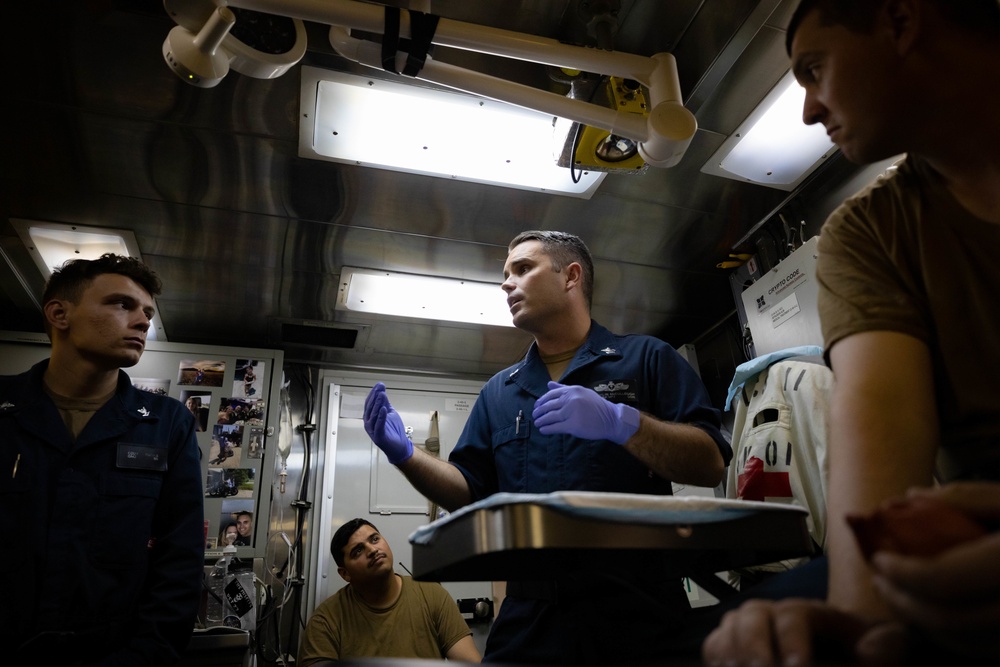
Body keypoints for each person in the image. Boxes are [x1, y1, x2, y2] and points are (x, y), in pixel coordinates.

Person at [702, 1, 1000, 664]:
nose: (808, 109)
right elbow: (880, 475)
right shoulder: (873, 233)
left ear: (899, 21)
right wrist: (865, 629)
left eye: (814, 69)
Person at [364, 230, 731, 664]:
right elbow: (469, 490)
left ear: (571, 276)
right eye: (505, 274)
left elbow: (709, 463)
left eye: (522, 268)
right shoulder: (501, 391)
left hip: (637, 611)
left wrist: (622, 422)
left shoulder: (645, 359)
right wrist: (406, 456)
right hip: (531, 619)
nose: (506, 283)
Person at [0, 253, 205, 665]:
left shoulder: (166, 423)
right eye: (121, 304)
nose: (143, 320)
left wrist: (149, 653)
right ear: (60, 313)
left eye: (147, 312)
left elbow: (179, 558)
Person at [298, 518, 481, 665]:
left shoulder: (432, 594)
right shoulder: (325, 622)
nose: (372, 550)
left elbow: (469, 662)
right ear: (345, 573)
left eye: (374, 539)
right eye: (358, 551)